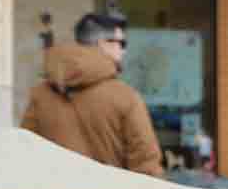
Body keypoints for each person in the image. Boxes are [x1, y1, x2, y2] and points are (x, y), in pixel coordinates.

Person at [20, 12, 167, 178]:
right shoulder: (126, 97)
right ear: (103, 43)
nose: (124, 51)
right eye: (122, 43)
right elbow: (146, 167)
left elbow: (24, 155)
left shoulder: (40, 95)